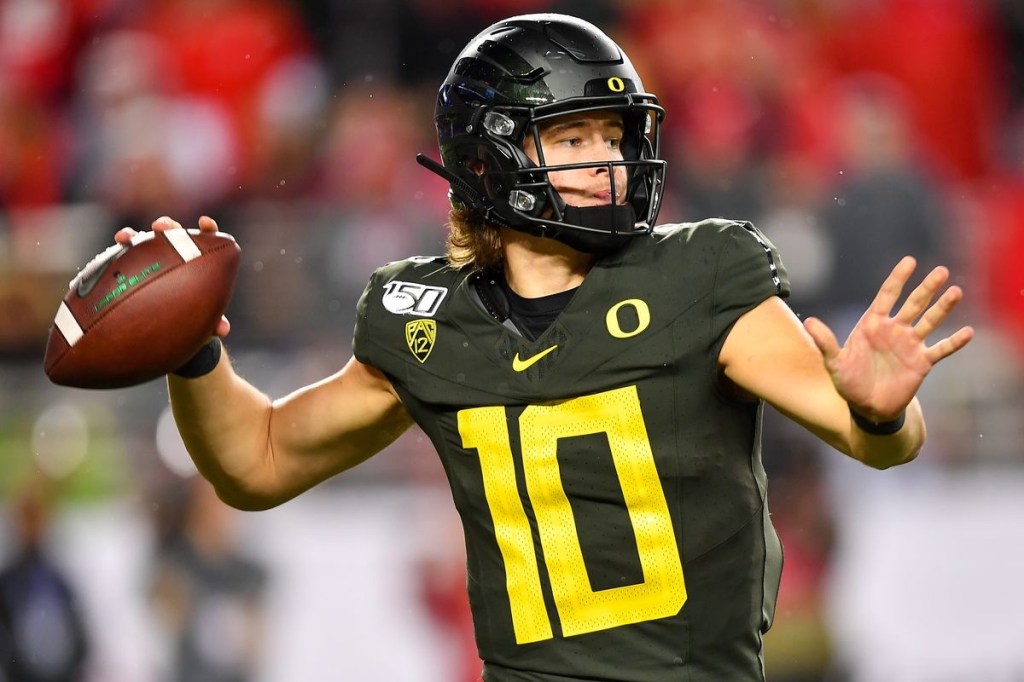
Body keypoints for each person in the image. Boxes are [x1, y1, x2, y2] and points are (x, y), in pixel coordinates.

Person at [114, 14, 974, 682]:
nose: (608, 161)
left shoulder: (704, 273)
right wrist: (192, 353)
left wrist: (881, 413)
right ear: (489, 159)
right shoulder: (425, 319)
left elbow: (870, 438)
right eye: (572, 138)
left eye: (615, 136)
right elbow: (257, 461)